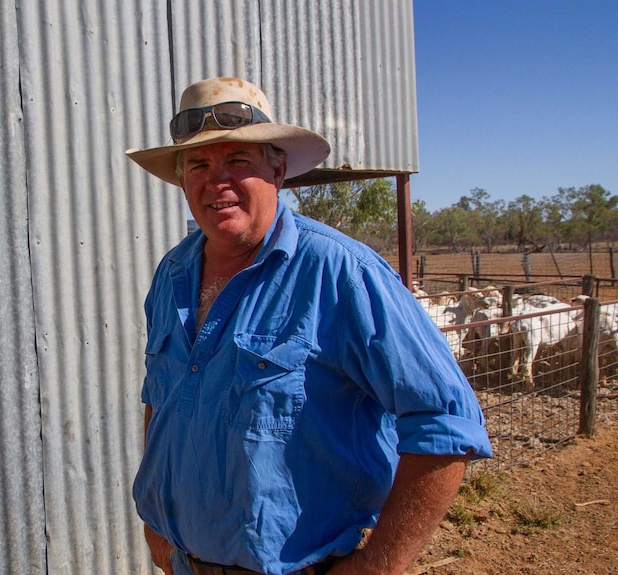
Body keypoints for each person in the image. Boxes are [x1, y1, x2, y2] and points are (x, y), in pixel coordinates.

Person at [125, 77, 492, 575]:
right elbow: (161, 400)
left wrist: (378, 565)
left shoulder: (341, 272)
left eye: (238, 161)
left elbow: (446, 422)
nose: (217, 182)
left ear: (277, 170)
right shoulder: (172, 273)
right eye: (199, 165)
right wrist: (158, 533)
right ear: (182, 178)